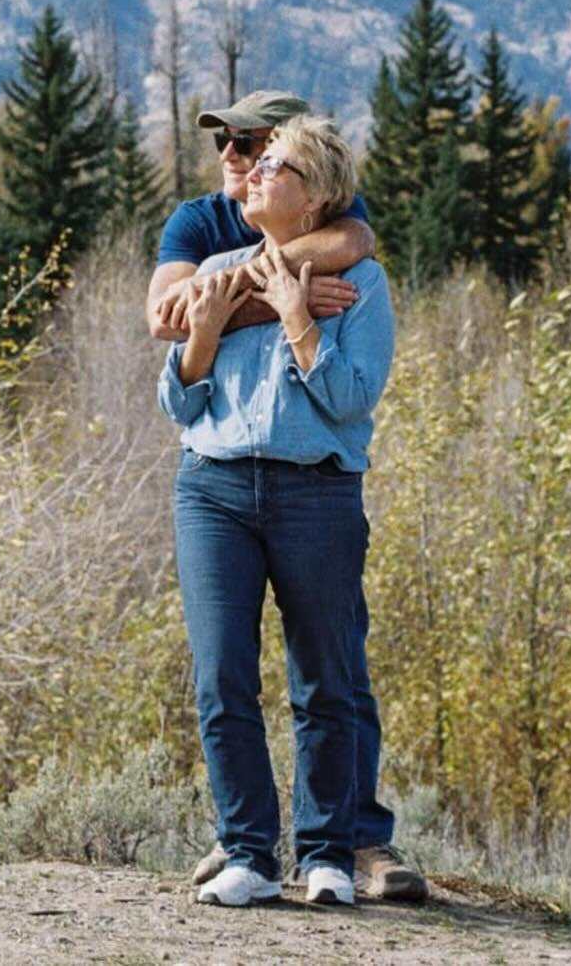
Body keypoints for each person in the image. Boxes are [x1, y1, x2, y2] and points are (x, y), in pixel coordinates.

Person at [147, 90, 426, 905]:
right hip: (215, 489)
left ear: (317, 194)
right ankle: (246, 856)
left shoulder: (361, 281)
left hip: (317, 497)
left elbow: (350, 399)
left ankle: (329, 856)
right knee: (222, 674)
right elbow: (180, 403)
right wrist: (209, 329)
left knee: (326, 681)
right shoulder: (209, 260)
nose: (246, 168)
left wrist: (299, 317)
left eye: (268, 160)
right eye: (243, 155)